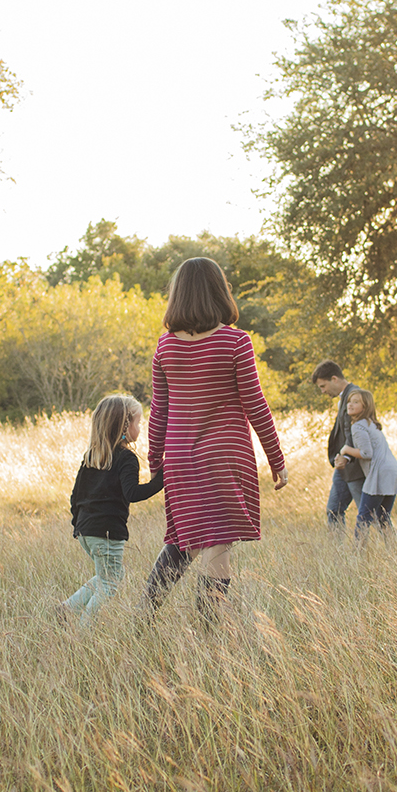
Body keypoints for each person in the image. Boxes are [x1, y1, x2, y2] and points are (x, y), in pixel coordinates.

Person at [142, 257, 288, 618]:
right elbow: (255, 405)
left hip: (179, 459)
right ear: (219, 291)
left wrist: (155, 461)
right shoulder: (235, 342)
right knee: (217, 545)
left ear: (178, 295)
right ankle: (209, 635)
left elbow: (159, 410)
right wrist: (277, 459)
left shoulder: (165, 347)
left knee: (185, 539)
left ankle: (143, 616)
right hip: (223, 458)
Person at [61, 393, 163, 624]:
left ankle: (67, 609)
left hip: (86, 531)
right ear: (125, 426)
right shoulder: (127, 458)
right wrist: (162, 478)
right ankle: (83, 629)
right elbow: (132, 493)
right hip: (107, 533)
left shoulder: (92, 456)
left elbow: (75, 496)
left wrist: (78, 525)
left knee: (107, 576)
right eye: (138, 422)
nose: (140, 427)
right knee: (110, 583)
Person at [336, 386, 397, 533]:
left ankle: (358, 547)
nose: (350, 405)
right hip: (392, 471)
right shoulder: (371, 424)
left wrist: (345, 449)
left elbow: (366, 453)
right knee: (383, 517)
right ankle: (394, 545)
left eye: (356, 402)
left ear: (365, 407)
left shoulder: (358, 426)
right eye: (349, 401)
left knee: (364, 517)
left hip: (379, 474)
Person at [312, 360, 364, 525]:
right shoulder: (345, 397)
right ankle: (337, 543)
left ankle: (387, 541)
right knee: (334, 510)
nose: (323, 391)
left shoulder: (355, 396)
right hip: (343, 466)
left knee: (369, 514)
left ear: (334, 379)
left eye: (323, 386)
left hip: (356, 467)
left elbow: (356, 431)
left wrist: (346, 456)